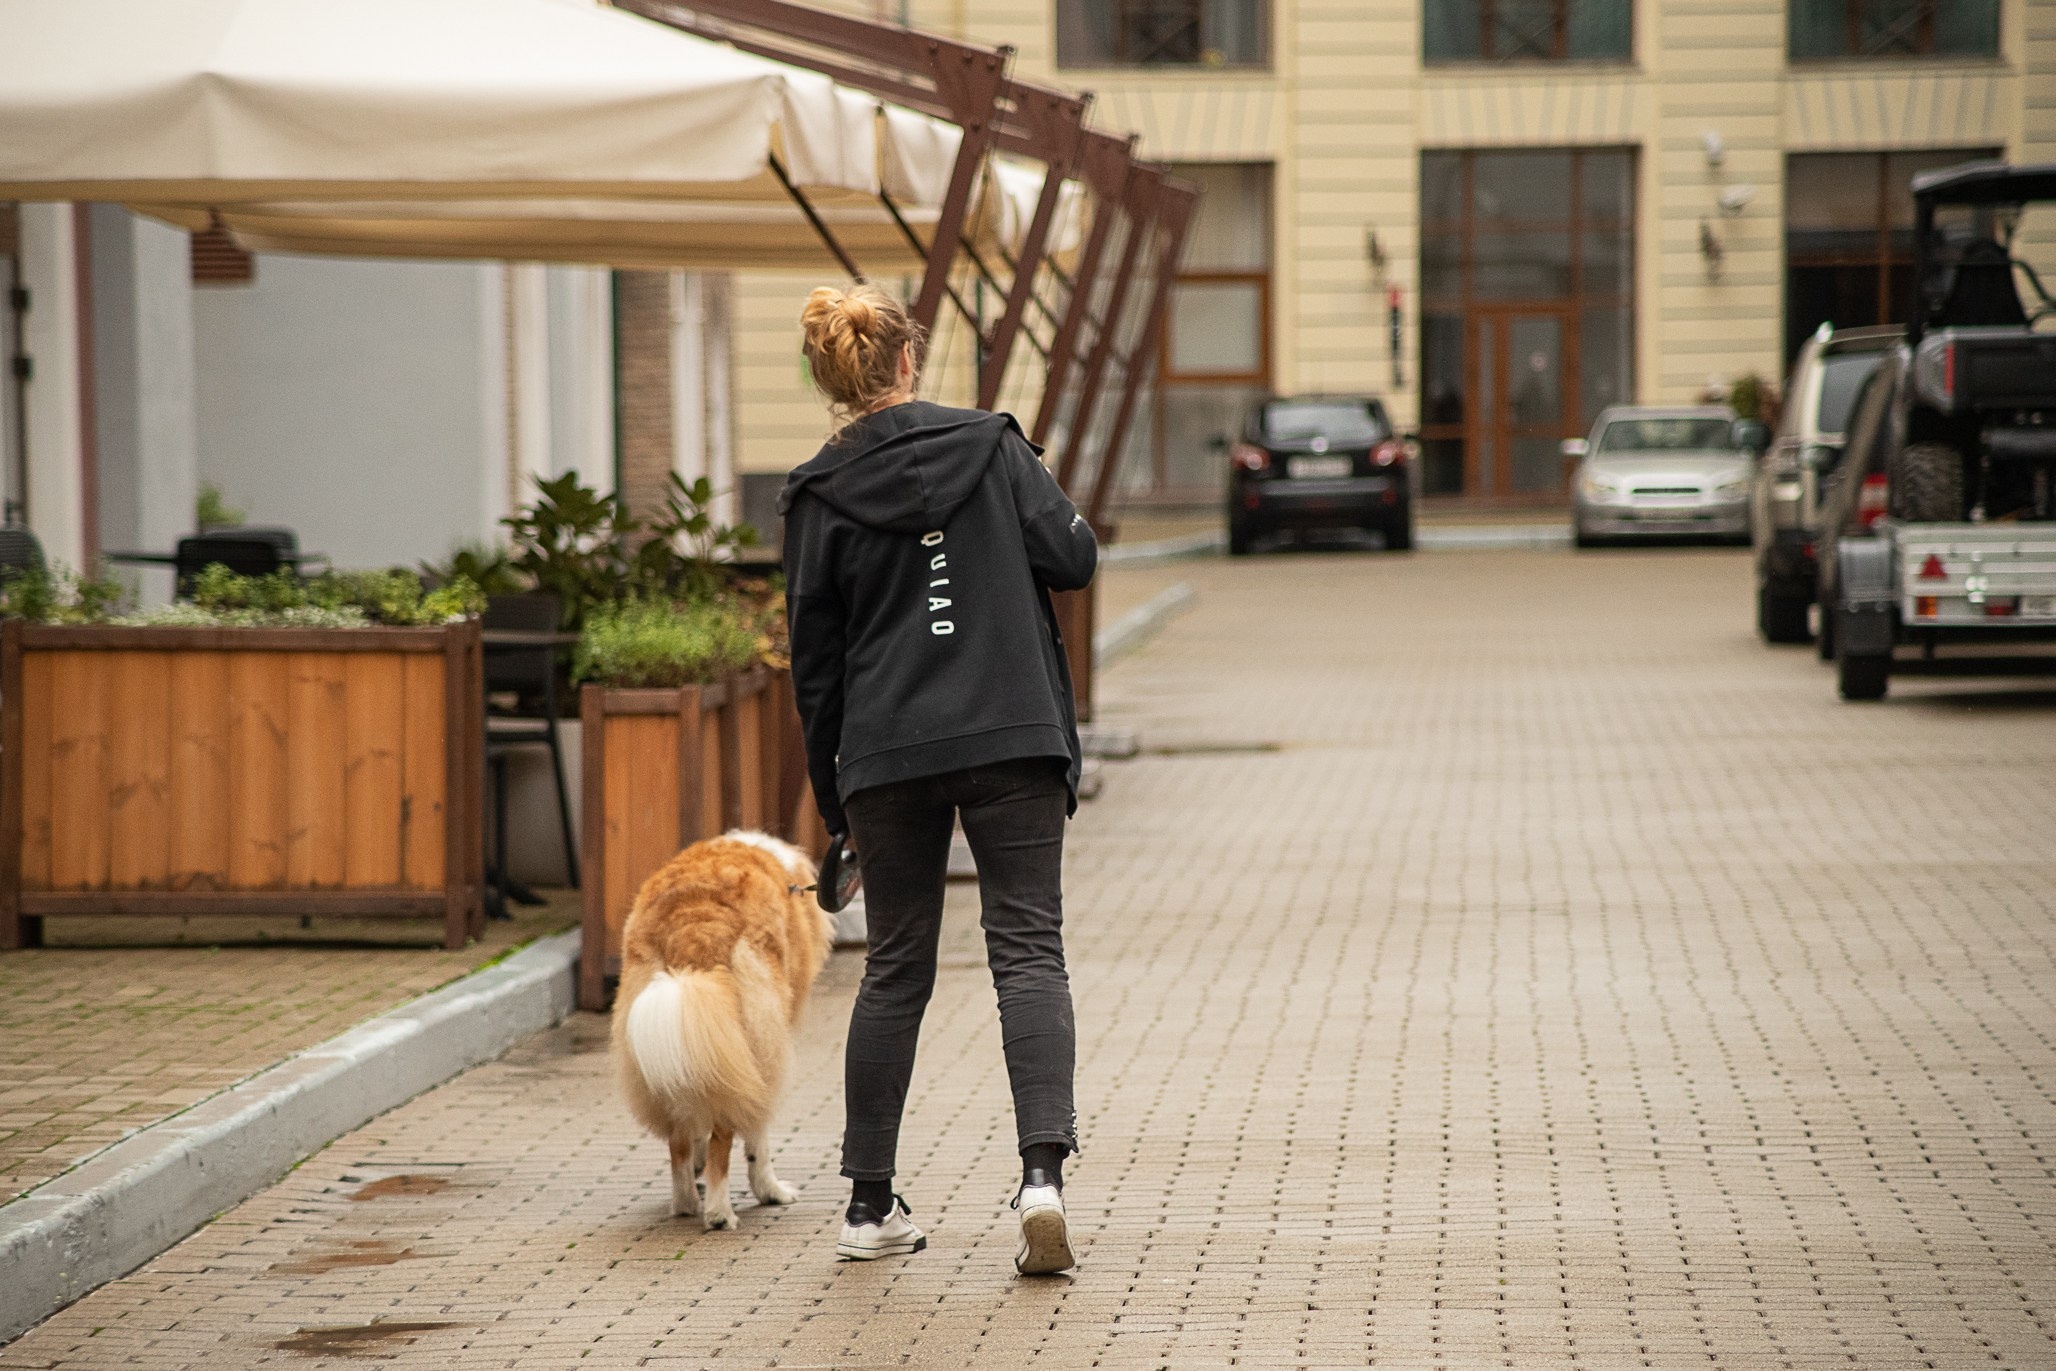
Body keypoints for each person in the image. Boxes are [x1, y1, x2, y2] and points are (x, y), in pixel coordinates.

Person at [779, 284, 1097, 1276]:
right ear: (907, 362)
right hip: (1010, 730)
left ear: (829, 377)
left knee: (896, 966)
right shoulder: (994, 446)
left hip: (887, 750)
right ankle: (1041, 1178)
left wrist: (838, 809)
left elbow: (815, 663)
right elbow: (1072, 559)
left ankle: (870, 1203)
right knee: (1027, 949)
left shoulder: (816, 492)